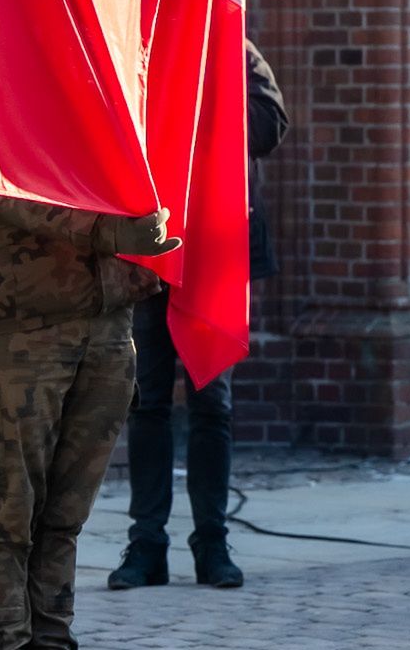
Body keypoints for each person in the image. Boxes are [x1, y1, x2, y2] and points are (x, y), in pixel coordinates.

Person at [0, 189, 176, 650]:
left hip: (107, 326)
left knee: (61, 526)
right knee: (5, 522)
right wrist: (106, 231)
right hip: (20, 329)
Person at [110, 39, 287, 591]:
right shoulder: (136, 37)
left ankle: (212, 542)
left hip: (215, 245)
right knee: (149, 401)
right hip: (152, 244)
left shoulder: (230, 41)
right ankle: (147, 545)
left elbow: (268, 127)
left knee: (213, 401)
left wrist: (203, 95)